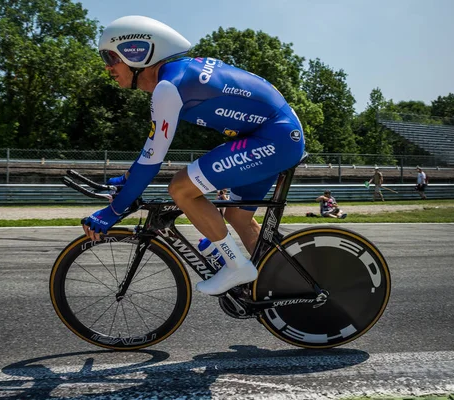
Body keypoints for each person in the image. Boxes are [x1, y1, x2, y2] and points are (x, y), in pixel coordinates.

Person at [83, 16, 305, 296]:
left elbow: (153, 159)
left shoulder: (169, 86)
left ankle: (236, 266)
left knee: (180, 188)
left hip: (274, 138)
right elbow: (149, 152)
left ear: (137, 52)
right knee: (237, 217)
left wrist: (112, 212)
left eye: (110, 58)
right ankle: (289, 286)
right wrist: (127, 179)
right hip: (274, 135)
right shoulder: (178, 75)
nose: (108, 67)